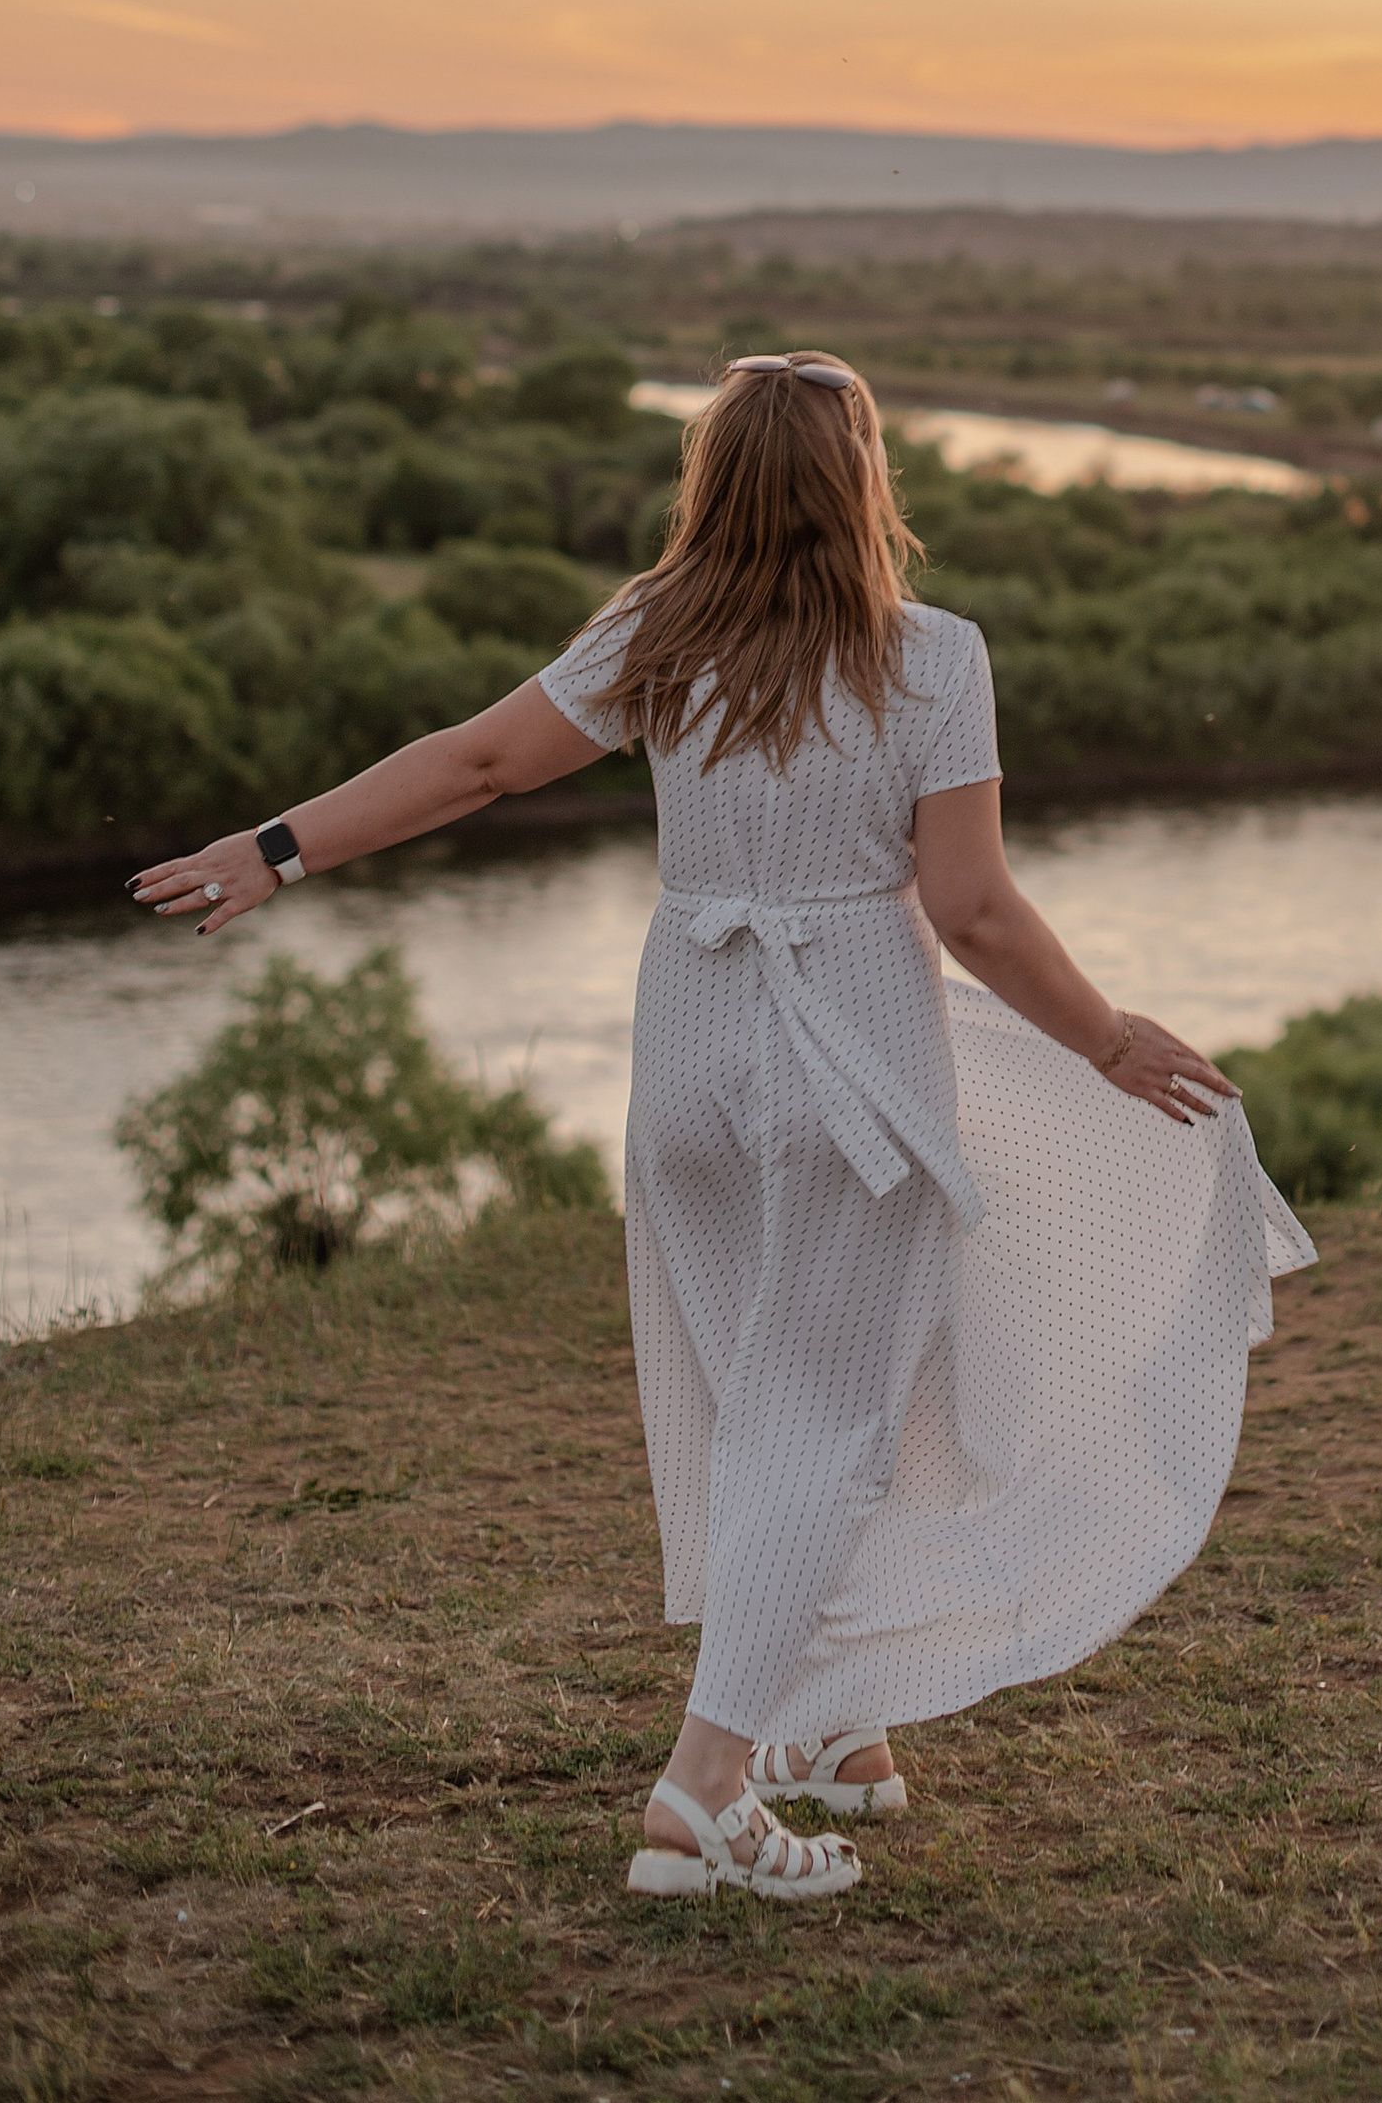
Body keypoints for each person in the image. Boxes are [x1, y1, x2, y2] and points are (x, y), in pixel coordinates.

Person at [130, 350, 1313, 1902]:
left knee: (804, 1393)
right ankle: (703, 1789)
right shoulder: (930, 657)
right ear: (862, 481)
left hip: (691, 1059)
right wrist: (1106, 1039)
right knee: (822, 1416)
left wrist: (278, 848)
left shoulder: (654, 634)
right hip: (851, 1075)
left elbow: (477, 764)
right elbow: (970, 908)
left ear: (714, 479)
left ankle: (838, 1723)